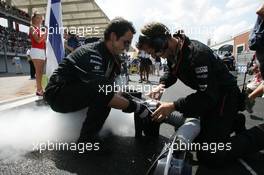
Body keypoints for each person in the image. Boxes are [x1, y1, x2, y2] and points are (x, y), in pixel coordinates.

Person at [137, 22, 264, 167]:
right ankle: (234, 121)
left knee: (210, 154)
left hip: (225, 97)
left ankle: (259, 134)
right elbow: (172, 70)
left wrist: (173, 106)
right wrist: (161, 85)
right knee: (197, 142)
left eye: (153, 52)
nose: (153, 56)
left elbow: (207, 96)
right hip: (211, 96)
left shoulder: (196, 54)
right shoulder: (173, 52)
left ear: (160, 42)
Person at [44, 18, 153, 146]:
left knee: (123, 93)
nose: (127, 47)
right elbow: (104, 92)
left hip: (75, 91)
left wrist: (139, 101)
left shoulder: (113, 58)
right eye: (126, 42)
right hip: (57, 94)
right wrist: (137, 107)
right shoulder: (93, 53)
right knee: (103, 92)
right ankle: (86, 142)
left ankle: (94, 131)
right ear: (113, 36)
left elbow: (115, 89)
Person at [29, 12, 47, 96]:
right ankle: (39, 90)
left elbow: (44, 42)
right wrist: (45, 34)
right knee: (38, 71)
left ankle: (40, 89)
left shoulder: (41, 29)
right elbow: (38, 40)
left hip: (42, 51)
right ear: (34, 19)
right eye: (38, 18)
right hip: (36, 50)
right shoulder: (32, 28)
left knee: (41, 71)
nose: (40, 19)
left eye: (41, 18)